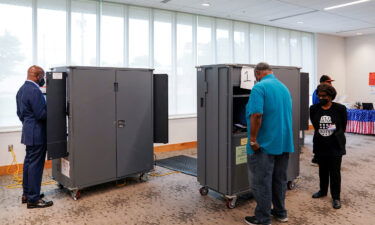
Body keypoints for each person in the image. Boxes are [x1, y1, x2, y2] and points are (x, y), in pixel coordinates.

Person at [244, 62, 294, 225]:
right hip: (284, 142)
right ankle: (280, 213)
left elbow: (257, 115)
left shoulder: (259, 88)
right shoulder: (284, 88)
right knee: (279, 180)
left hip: (264, 145)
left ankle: (262, 218)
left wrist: (252, 139)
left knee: (261, 182)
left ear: (257, 74)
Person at [16, 65, 53, 208]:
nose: (43, 79)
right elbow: (41, 114)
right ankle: (33, 199)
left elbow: (20, 114)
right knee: (35, 166)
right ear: (38, 76)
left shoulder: (21, 90)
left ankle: (27, 194)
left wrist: (29, 123)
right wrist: (53, 107)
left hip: (28, 131)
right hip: (37, 133)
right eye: (42, 77)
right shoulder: (35, 91)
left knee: (29, 164)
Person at [309, 84, 347, 209]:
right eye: (319, 96)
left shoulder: (340, 108)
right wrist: (328, 128)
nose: (321, 98)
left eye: (324, 96)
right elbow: (316, 126)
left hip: (335, 144)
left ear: (330, 96)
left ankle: (336, 197)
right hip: (320, 144)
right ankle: (322, 191)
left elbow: (342, 126)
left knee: (335, 172)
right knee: (322, 170)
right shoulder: (314, 108)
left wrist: (329, 128)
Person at [311, 75, 335, 166]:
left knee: (326, 135)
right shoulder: (318, 92)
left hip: (325, 117)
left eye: (330, 82)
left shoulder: (324, 91)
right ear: (323, 82)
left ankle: (319, 156)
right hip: (321, 117)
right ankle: (317, 157)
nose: (330, 84)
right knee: (321, 135)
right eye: (328, 82)